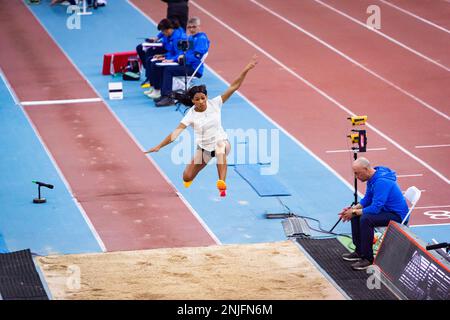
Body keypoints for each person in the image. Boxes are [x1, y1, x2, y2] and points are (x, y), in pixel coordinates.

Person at [144, 56, 258, 197]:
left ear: (206, 97)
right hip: (204, 148)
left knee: (220, 148)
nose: (201, 101)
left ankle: (222, 183)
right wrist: (159, 146)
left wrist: (245, 70)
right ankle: (192, 176)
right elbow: (175, 134)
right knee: (187, 176)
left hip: (221, 143)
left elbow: (234, 86)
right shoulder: (190, 116)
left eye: (203, 98)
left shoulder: (215, 103)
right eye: (197, 99)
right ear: (192, 101)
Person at [339, 157, 409, 270]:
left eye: (358, 173)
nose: (356, 177)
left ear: (366, 169)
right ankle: (359, 251)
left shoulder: (382, 182)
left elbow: (375, 208)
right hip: (385, 210)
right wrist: (353, 209)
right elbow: (367, 199)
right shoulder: (372, 178)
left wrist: (354, 212)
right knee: (356, 216)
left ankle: (367, 259)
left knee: (366, 219)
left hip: (397, 215)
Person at [147, 17, 209, 107]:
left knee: (168, 70)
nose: (191, 29)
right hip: (185, 64)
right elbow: (183, 52)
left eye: (194, 27)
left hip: (194, 68)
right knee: (163, 66)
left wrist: (182, 57)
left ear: (199, 27)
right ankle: (164, 94)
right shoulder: (191, 37)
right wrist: (166, 56)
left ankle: (168, 97)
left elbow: (197, 56)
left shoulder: (201, 39)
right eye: (189, 27)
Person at [138, 18, 186, 88]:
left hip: (175, 59)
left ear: (169, 29)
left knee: (154, 62)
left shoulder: (180, 38)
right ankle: (152, 82)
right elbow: (172, 52)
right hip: (169, 53)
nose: (162, 34)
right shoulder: (169, 32)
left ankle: (157, 88)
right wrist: (163, 55)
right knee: (150, 58)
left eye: (164, 31)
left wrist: (170, 59)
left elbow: (181, 54)